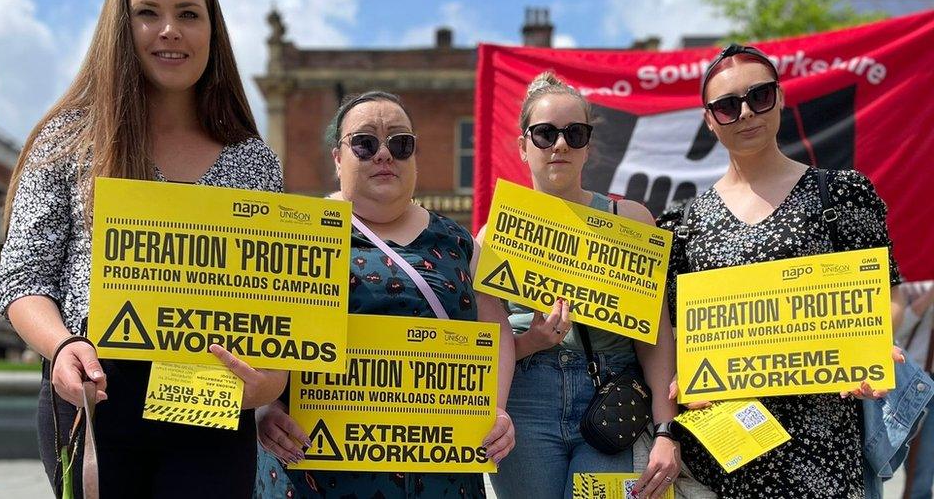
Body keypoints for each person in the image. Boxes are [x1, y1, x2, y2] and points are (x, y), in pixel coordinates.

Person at [0, 0, 287, 497]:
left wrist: (272, 383)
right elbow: (23, 279)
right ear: (119, 27)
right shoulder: (67, 140)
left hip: (207, 389)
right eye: (148, 13)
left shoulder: (254, 162)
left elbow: (277, 309)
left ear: (213, 30)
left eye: (189, 14)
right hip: (97, 391)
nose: (170, 30)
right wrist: (60, 347)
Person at [657, 44, 907, 498]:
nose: (747, 113)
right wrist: (682, 383)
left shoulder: (840, 195)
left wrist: (869, 350)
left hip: (824, 445)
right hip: (725, 455)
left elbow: (889, 296)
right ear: (709, 119)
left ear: (781, 97)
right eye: (728, 106)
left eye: (760, 96)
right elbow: (672, 333)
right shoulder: (682, 224)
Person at [253, 91, 516, 498]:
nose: (383, 154)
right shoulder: (298, 233)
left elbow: (495, 330)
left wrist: (496, 409)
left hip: (440, 476)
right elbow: (260, 333)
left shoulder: (459, 243)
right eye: (365, 142)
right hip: (317, 474)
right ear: (338, 158)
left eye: (400, 143)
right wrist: (264, 407)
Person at [483, 72, 679, 499]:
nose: (560, 145)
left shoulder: (630, 220)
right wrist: (531, 342)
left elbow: (656, 334)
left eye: (575, 133)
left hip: (611, 397)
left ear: (588, 145)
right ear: (522, 146)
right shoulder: (491, 237)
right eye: (544, 133)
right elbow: (488, 344)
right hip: (525, 397)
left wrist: (667, 430)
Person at [898, 279, 934, 499]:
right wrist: (929, 297)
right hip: (913, 382)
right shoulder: (912, 286)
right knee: (900, 462)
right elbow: (897, 329)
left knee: (922, 471)